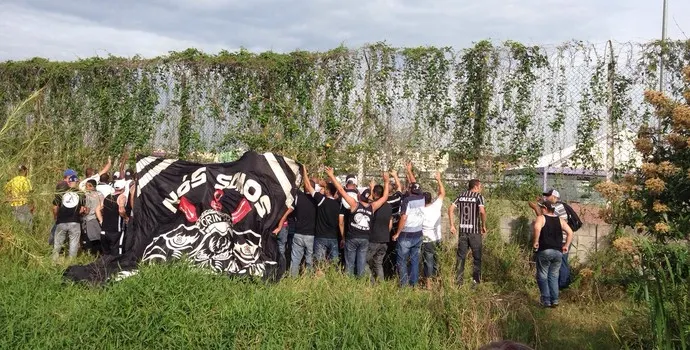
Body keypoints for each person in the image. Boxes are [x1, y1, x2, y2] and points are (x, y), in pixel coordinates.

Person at [326, 167, 389, 278]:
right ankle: (360, 283)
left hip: (352, 238)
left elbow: (341, 190)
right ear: (369, 198)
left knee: (349, 263)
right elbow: (384, 197)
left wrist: (331, 176)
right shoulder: (372, 207)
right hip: (365, 239)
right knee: (361, 263)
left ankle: (348, 282)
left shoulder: (355, 204)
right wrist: (386, 181)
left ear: (359, 197)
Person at [532, 201, 573, 307]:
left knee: (542, 275)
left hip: (545, 250)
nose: (540, 209)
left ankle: (546, 300)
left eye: (541, 207)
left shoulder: (541, 218)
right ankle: (554, 300)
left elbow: (537, 228)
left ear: (545, 208)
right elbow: (570, 232)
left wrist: (536, 241)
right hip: (558, 252)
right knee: (554, 276)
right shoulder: (560, 220)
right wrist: (566, 246)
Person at [529, 188, 572, 289]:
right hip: (558, 240)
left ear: (555, 197)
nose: (546, 197)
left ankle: (562, 285)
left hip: (560, 240)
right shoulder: (556, 206)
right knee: (558, 265)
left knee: (562, 264)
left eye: (548, 196)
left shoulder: (557, 208)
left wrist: (535, 208)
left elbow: (544, 219)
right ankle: (558, 287)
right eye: (546, 195)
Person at [392, 163, 425, 288]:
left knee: (402, 260)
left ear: (410, 190)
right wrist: (409, 171)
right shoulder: (422, 197)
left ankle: (404, 285)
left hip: (406, 234)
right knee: (415, 260)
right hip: (418, 233)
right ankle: (414, 284)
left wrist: (397, 233)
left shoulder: (407, 201)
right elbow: (414, 183)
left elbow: (404, 217)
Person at [449, 179, 487, 286]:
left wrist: (452, 225)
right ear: (476, 187)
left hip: (463, 231)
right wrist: (483, 225)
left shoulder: (460, 196)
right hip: (474, 232)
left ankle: (459, 281)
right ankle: (475, 281)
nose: (481, 189)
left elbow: (450, 209)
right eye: (480, 187)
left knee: (461, 256)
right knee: (477, 257)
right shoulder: (478, 197)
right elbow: (482, 212)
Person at [307, 173, 341, 268]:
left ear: (327, 191)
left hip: (321, 236)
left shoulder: (322, 200)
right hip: (333, 237)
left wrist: (304, 172)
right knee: (334, 263)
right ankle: (333, 277)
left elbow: (309, 187)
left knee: (319, 263)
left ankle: (319, 278)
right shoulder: (338, 204)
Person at [420, 171, 445, 289]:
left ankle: (429, 284)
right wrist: (438, 180)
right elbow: (442, 193)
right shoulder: (436, 206)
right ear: (431, 199)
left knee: (427, 261)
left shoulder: (420, 210)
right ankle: (438, 280)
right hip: (438, 238)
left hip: (427, 240)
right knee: (437, 260)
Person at [52, 175, 86, 261]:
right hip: (74, 221)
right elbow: (82, 209)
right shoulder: (80, 193)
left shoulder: (61, 193)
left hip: (61, 221)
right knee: (74, 244)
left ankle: (54, 261)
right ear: (77, 182)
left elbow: (55, 208)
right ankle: (71, 263)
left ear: (69, 182)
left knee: (57, 244)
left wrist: (56, 217)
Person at [289, 178, 317, 277]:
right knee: (309, 258)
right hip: (311, 234)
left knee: (295, 258)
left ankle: (293, 278)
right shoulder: (316, 200)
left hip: (298, 232)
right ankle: (308, 278)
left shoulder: (298, 198)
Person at [367, 183, 392, 283]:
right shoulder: (389, 207)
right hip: (385, 239)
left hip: (374, 239)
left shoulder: (373, 206)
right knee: (378, 263)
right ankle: (381, 284)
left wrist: (371, 188)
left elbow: (369, 200)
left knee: (363, 261)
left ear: (374, 193)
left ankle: (372, 282)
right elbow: (390, 224)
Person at [97, 180, 128, 255]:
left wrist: (101, 221)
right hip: (116, 230)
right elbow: (121, 210)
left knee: (106, 254)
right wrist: (126, 218)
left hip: (104, 229)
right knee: (116, 253)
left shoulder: (107, 197)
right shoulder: (122, 197)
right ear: (123, 188)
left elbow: (97, 209)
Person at [383, 170, 404, 278]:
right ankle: (392, 273)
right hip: (395, 230)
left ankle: (384, 273)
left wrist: (385, 182)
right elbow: (400, 188)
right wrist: (396, 175)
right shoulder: (396, 198)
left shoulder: (382, 200)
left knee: (384, 253)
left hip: (383, 231)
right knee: (393, 253)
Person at [82, 179, 103, 255]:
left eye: (86, 186)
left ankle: (93, 254)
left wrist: (83, 213)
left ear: (91, 186)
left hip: (90, 218)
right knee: (98, 236)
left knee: (91, 238)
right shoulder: (100, 194)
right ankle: (100, 252)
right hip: (98, 218)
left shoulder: (88, 195)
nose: (86, 188)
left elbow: (87, 209)